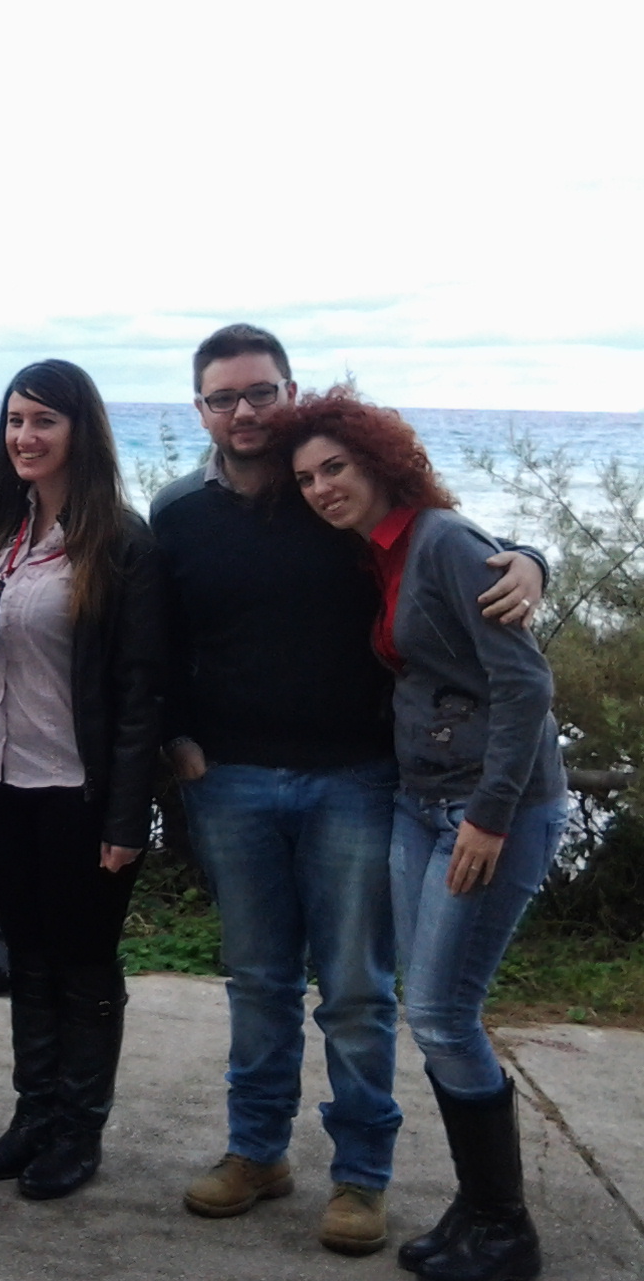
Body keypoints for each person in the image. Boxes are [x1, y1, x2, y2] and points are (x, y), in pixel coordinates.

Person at [153, 323, 545, 1258]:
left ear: (290, 393)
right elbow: (158, 636)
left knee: (359, 991)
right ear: (199, 409)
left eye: (261, 392)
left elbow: (456, 545)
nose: (245, 412)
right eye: (223, 397)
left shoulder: (338, 492)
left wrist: (533, 556)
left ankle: (361, 1175)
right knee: (257, 982)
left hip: (359, 781)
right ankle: (257, 1152)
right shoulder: (177, 512)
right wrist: (175, 736)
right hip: (231, 781)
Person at [288, 390, 566, 1281]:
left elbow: (526, 684)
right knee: (433, 1012)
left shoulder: (440, 539)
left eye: (335, 467)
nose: (322, 488)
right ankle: (478, 1207)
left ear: (379, 460)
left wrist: (489, 814)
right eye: (307, 479)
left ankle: (505, 1230)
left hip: (487, 812)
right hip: (421, 801)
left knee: (443, 1014)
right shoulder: (383, 550)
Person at [0, 360, 164, 1199]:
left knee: (84, 962)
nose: (25, 436)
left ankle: (79, 1130)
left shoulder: (121, 543)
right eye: (14, 421)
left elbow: (141, 692)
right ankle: (33, 1114)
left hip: (78, 791)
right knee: (28, 956)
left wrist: (126, 818)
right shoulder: (0, 531)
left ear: (82, 430)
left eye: (44, 420)